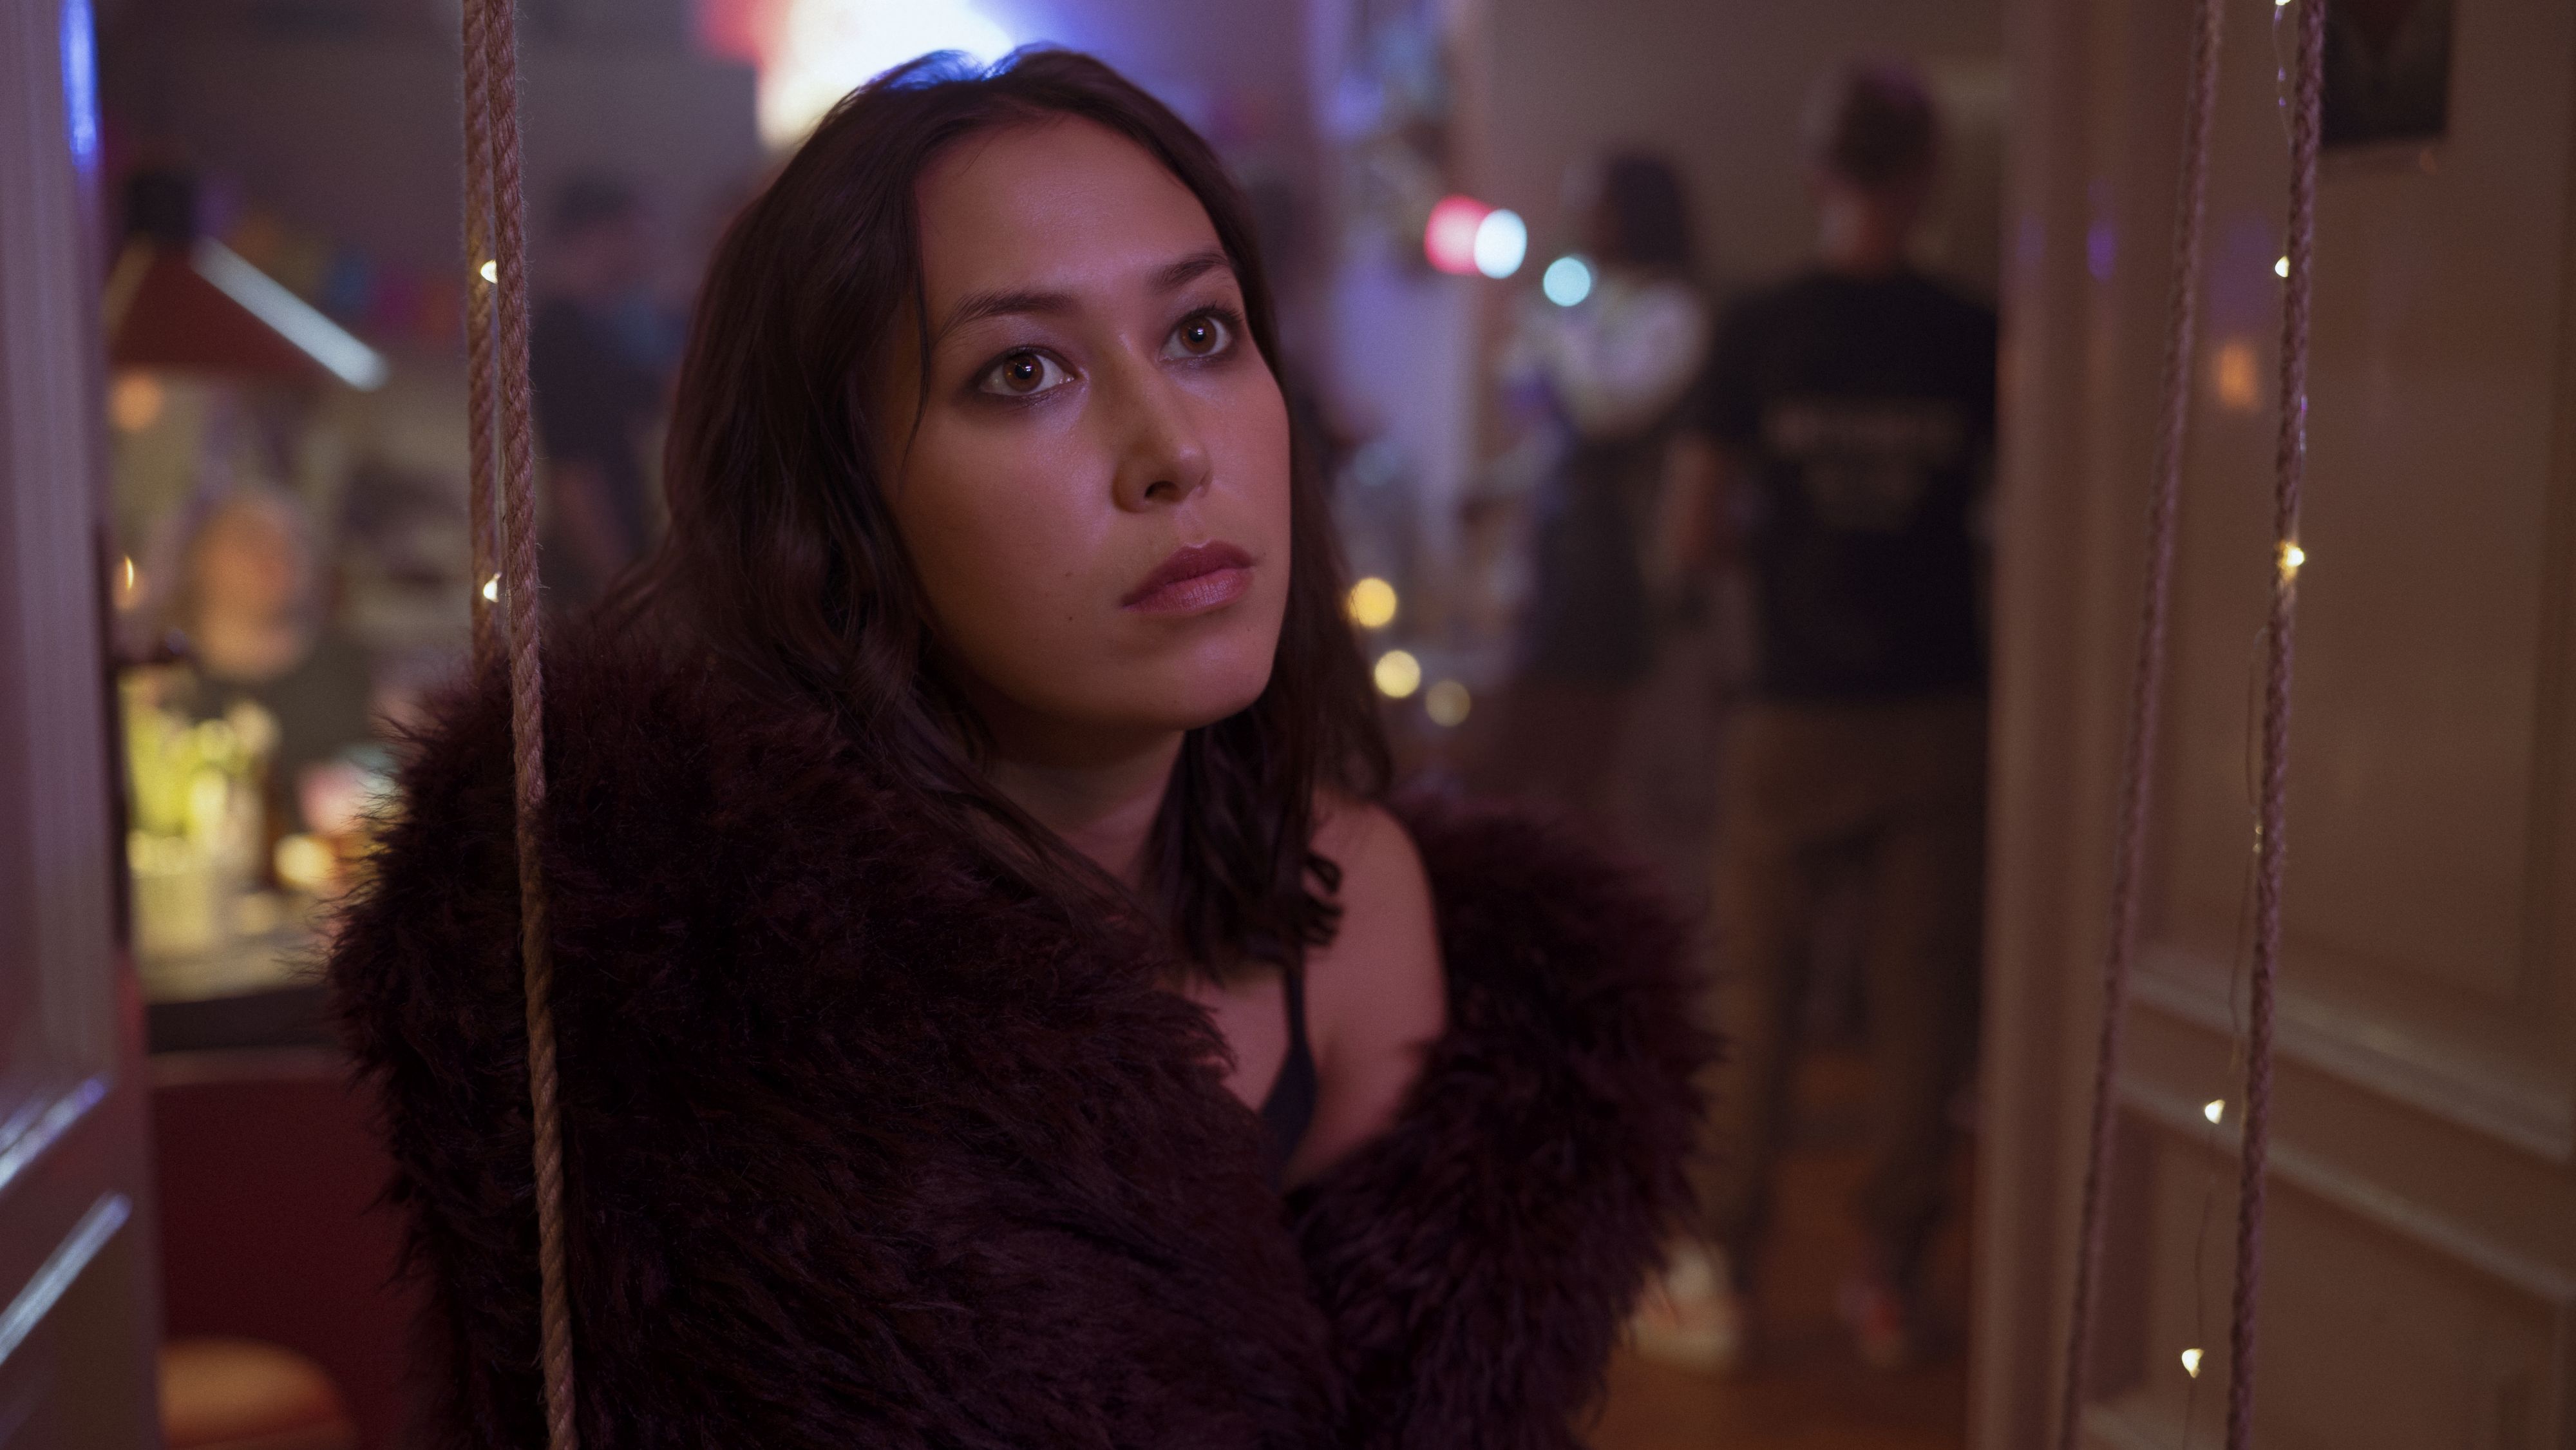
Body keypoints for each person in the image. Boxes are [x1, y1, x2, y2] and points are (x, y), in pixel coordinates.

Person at [329, 50, 1703, 1447]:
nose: (1173, 450)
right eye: (1024, 370)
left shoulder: (1357, 899)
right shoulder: (700, 1008)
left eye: (1201, 333)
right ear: (838, 499)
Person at [1640, 61, 1997, 1373]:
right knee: (1920, 1004)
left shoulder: (1760, 327)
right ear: (1926, 173)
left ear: (1814, 170)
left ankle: (1721, 1269)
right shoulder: (1973, 333)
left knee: (1755, 990)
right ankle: (1888, 1280)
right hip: (1939, 704)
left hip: (1791, 708)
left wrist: (1778, 551)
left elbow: (1690, 533)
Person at [1486, 153, 1709, 819]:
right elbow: (1541, 424)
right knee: (1526, 743)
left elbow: (1606, 414)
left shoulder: (1669, 310)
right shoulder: (1594, 298)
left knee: (1584, 753)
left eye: (1595, 203)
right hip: (1559, 545)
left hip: (1614, 557)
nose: (1579, 218)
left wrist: (1562, 331)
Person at [528, 173, 668, 610]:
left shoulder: (602, 330)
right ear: (596, 233)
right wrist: (618, 587)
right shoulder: (564, 333)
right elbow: (574, 473)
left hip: (608, 559)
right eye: (634, 234)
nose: (647, 249)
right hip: (593, 570)